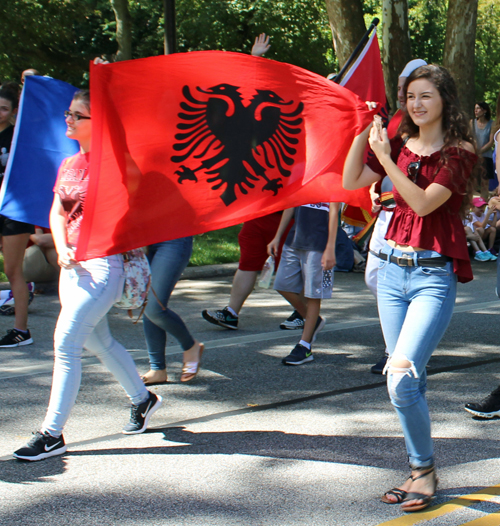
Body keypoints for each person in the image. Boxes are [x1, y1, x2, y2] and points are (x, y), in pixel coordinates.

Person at [343, 64, 477, 512]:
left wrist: (384, 159)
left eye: (425, 96)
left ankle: (422, 471)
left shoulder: (459, 152)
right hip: (390, 272)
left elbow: (420, 203)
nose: (416, 104)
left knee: (400, 376)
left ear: (444, 101)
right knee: (404, 383)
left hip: (431, 277)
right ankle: (422, 469)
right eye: (410, 97)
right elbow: (351, 182)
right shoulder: (400, 145)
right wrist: (363, 134)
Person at [13, 88, 162, 462]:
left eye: (77, 115)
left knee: (66, 343)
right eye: (69, 113)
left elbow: (138, 189)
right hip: (72, 266)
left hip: (103, 266)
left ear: (98, 124)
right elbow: (58, 213)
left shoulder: (116, 163)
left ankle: (52, 434)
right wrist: (61, 247)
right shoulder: (69, 164)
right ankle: (144, 399)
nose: (68, 119)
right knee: (99, 342)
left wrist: (108, 89)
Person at [201, 33, 301, 333]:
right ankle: (231, 312)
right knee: (249, 259)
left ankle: (306, 315)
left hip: (286, 207)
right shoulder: (248, 126)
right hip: (257, 207)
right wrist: (255, 59)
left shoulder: (293, 121)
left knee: (288, 269)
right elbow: (247, 92)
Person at [366, 58, 427, 374]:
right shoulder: (393, 121)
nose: (403, 91)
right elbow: (380, 162)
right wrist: (374, 187)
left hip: (412, 216)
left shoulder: (428, 123)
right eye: (402, 85)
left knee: (397, 281)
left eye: (410, 85)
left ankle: (396, 351)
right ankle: (406, 339)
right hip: (386, 212)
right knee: (374, 277)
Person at [267, 202, 340, 365]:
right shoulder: (302, 177)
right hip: (294, 240)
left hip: (319, 243)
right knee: (282, 285)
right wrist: (277, 236)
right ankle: (313, 320)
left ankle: (305, 346)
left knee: (313, 295)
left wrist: (330, 247)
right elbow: (290, 204)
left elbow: (334, 212)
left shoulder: (333, 179)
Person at [140, 236, 205, 385]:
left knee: (154, 307)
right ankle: (157, 369)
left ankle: (190, 345)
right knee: (147, 303)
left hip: (173, 236)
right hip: (142, 235)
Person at [0, 88, 36, 347]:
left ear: (13, 112)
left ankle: (21, 331)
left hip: (15, 210)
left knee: (12, 271)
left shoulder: (20, 137)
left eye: (3, 108)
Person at [470, 101, 495, 197]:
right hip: (474, 156)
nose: (475, 111)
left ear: (484, 110)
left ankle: (484, 204)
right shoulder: (472, 123)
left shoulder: (492, 124)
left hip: (486, 157)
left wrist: (480, 152)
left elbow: (490, 142)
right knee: (473, 181)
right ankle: (474, 206)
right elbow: (470, 138)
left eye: (478, 108)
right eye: (475, 108)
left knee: (485, 183)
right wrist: (475, 151)